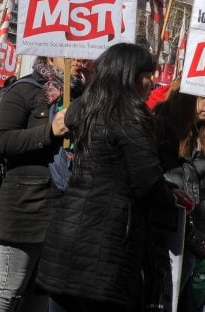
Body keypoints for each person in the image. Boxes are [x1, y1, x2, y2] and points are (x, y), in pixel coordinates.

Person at [35, 43, 179, 312]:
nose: (152, 82)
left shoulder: (85, 107)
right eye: (148, 74)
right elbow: (146, 181)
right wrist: (170, 199)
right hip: (106, 240)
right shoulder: (130, 116)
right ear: (130, 75)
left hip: (69, 230)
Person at [0, 57, 79, 312]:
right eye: (72, 52)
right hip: (26, 204)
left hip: (65, 206)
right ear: (51, 52)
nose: (80, 59)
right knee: (8, 289)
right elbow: (0, 143)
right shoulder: (26, 89)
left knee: (39, 292)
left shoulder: (85, 95)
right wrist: (49, 132)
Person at [151, 80, 205, 310]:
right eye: (201, 97)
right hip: (167, 228)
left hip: (194, 233)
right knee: (163, 296)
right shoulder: (160, 127)